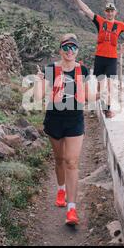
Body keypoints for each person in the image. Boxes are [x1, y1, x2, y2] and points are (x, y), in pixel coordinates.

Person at [33, 33, 94, 226]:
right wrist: (39, 80)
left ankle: (72, 209)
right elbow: (37, 96)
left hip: (75, 120)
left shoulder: (83, 71)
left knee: (72, 161)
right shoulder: (50, 69)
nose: (70, 51)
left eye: (73, 47)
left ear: (78, 51)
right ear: (60, 50)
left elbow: (91, 97)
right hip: (55, 119)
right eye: (66, 47)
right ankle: (61, 189)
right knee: (59, 159)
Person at [67, 0, 124, 118]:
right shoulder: (100, 21)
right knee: (100, 86)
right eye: (108, 11)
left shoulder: (120, 25)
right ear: (105, 12)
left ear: (116, 12)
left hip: (112, 59)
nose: (110, 13)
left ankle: (107, 110)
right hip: (100, 58)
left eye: (112, 11)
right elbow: (86, 10)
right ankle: (100, 106)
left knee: (109, 85)